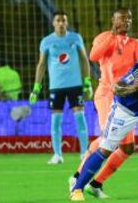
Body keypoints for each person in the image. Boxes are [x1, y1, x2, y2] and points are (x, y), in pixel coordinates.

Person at [70, 33, 138, 201]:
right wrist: (133, 88)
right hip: (125, 110)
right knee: (106, 149)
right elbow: (117, 88)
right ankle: (77, 189)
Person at [69, 7, 138, 199]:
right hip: (107, 95)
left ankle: (95, 184)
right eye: (122, 18)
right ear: (113, 20)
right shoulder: (103, 37)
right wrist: (112, 35)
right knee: (108, 138)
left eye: (129, 18)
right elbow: (94, 56)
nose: (126, 21)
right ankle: (77, 176)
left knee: (127, 147)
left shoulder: (135, 43)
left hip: (127, 98)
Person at [29, 11, 92, 164]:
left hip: (75, 85)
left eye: (64, 20)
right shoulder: (47, 41)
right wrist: (36, 88)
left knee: (80, 119)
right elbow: (42, 64)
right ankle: (57, 155)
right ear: (53, 23)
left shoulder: (75, 38)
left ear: (67, 22)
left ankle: (85, 152)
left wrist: (87, 82)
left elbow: (84, 60)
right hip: (56, 87)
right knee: (56, 120)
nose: (61, 23)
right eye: (58, 20)